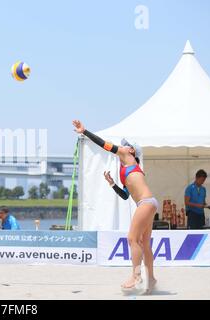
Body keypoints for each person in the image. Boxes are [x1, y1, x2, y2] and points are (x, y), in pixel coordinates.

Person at [73, 120, 157, 295]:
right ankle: (152, 279)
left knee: (132, 239)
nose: (122, 146)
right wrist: (112, 184)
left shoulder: (127, 156)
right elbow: (126, 195)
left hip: (146, 203)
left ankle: (136, 276)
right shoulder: (128, 167)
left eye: (126, 145)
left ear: (131, 150)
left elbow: (105, 145)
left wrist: (85, 131)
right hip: (149, 203)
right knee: (144, 244)